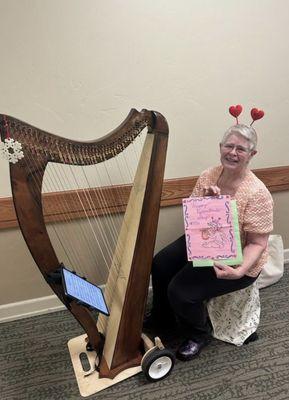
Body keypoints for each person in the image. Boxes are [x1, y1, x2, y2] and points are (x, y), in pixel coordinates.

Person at [144, 114, 273, 361]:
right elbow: (193, 221)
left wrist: (239, 270)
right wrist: (204, 203)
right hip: (203, 241)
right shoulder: (208, 176)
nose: (233, 152)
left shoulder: (258, 194)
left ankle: (198, 333)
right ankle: (163, 315)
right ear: (220, 148)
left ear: (252, 155)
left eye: (241, 149)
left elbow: (258, 243)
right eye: (229, 146)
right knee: (160, 263)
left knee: (180, 290)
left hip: (238, 257)